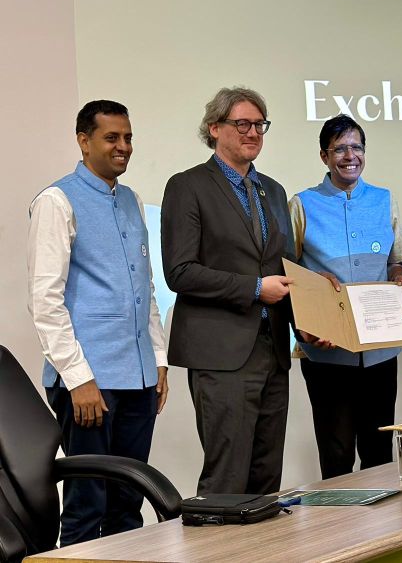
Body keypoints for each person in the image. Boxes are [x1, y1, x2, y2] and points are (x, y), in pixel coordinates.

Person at [27, 100, 168, 545]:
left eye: (128, 137)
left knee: (128, 503)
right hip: (88, 382)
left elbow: (144, 288)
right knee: (87, 505)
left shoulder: (131, 200)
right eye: (111, 138)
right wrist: (78, 379)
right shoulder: (57, 200)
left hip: (139, 378)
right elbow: (45, 300)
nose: (123, 146)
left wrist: (158, 359)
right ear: (84, 142)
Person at [161, 87, 294, 494]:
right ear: (214, 128)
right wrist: (254, 288)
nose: (252, 132)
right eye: (242, 124)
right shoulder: (187, 186)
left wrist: (311, 321)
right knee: (227, 480)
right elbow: (180, 272)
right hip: (221, 355)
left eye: (259, 125)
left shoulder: (274, 190)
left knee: (266, 480)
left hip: (273, 350)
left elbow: (285, 268)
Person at [289, 114, 402, 479]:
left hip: (380, 350)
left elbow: (395, 262)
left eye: (356, 147)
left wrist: (399, 279)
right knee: (336, 452)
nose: (350, 156)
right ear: (324, 156)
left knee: (379, 450)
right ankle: (339, 517)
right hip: (327, 352)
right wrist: (311, 306)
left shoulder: (384, 200)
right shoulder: (303, 204)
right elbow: (288, 271)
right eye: (340, 149)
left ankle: (384, 517)